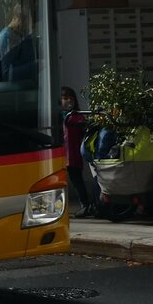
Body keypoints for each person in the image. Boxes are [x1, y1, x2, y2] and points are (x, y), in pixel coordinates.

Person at [59, 86, 93, 218]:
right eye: (65, 98)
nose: (69, 101)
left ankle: (85, 205)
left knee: (76, 181)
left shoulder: (76, 117)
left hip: (72, 155)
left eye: (71, 98)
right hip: (61, 155)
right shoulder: (58, 117)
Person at [0, 4, 37, 81]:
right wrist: (34, 66)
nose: (25, 23)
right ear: (15, 18)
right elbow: (6, 71)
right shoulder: (5, 36)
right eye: (24, 19)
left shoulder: (19, 35)